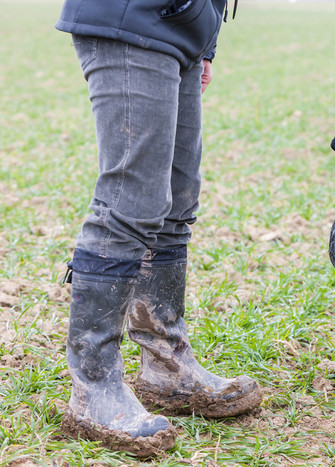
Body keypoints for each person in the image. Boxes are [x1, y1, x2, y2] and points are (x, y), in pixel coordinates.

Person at [55, 0, 262, 457]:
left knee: (176, 201)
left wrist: (206, 42)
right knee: (130, 201)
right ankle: (95, 386)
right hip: (132, 16)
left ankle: (167, 365)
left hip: (183, 27)